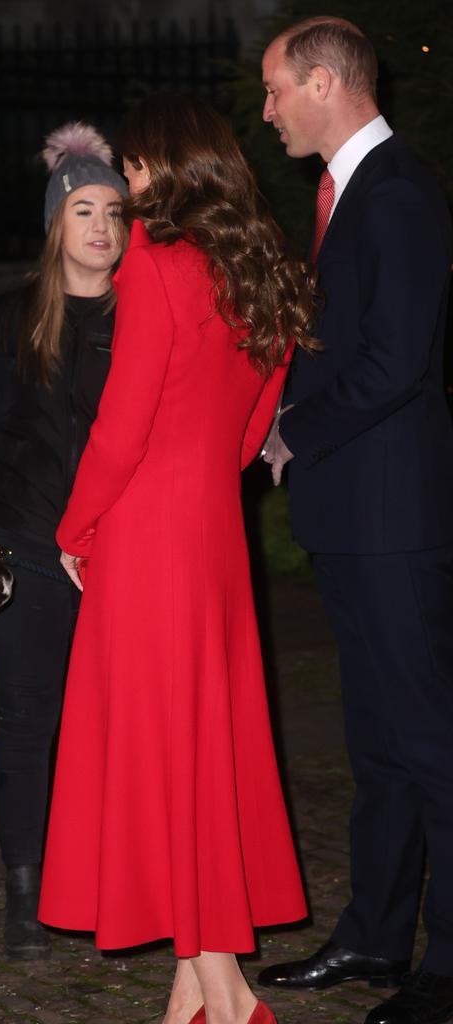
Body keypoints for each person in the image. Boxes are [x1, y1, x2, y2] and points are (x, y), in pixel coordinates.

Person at [37, 92, 318, 1024]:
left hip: (147, 534)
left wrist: (76, 527)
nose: (125, 179)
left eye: (136, 164)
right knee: (204, 750)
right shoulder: (262, 266)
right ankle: (195, 999)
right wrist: (201, 474)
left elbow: (120, 429)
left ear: (170, 167)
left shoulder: (157, 269)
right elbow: (249, 429)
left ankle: (228, 1001)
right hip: (213, 534)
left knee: (163, 754)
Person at [257, 17, 453, 1024]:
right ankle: (377, 935)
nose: (268, 109)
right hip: (354, 515)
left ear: (326, 82)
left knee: (428, 742)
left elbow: (393, 363)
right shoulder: (342, 195)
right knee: (377, 744)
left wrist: (293, 431)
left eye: (276, 90)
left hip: (394, 514)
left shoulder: (401, 195)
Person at [0, 122, 128, 958]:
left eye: (115, 211)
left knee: (117, 727)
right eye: (84, 210)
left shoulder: (147, 316)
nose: (102, 227)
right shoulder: (6, 324)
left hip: (123, 559)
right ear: (55, 224)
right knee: (30, 722)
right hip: (27, 550)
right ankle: (25, 894)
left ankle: (106, 881)